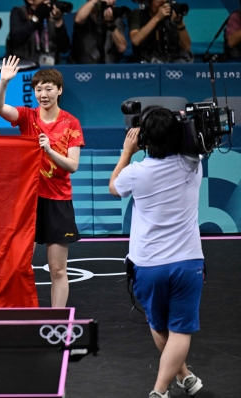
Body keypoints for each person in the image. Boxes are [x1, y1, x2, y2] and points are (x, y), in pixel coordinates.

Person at [108, 107, 204, 398]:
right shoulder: (193, 162)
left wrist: (127, 152)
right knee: (181, 330)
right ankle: (183, 375)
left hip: (148, 264)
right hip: (188, 263)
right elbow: (198, 138)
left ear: (144, 139)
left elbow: (114, 187)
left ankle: (159, 391)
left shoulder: (136, 173)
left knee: (158, 324)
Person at [0, 57, 84, 308]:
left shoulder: (71, 123)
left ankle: (57, 320)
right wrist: (3, 81)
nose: (43, 94)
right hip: (28, 200)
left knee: (57, 270)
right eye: (39, 89)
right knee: (21, 265)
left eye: (48, 89)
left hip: (58, 202)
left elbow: (73, 166)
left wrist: (50, 151)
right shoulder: (26, 116)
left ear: (59, 90)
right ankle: (23, 312)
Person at [6, 0, 71, 65]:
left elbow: (64, 48)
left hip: (50, 70)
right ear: (30, 1)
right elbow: (17, 37)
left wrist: (58, 21)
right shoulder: (19, 12)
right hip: (25, 68)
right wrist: (36, 18)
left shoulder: (52, 15)